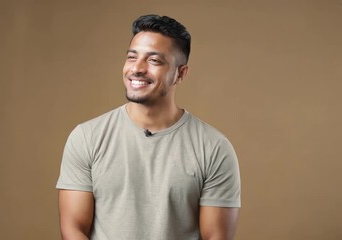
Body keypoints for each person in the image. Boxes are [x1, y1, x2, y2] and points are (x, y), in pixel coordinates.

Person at [56, 14, 241, 240]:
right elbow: (73, 229)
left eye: (154, 60)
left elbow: (216, 237)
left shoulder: (214, 148)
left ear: (180, 74)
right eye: (132, 57)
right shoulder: (86, 137)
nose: (138, 68)